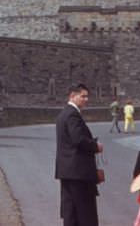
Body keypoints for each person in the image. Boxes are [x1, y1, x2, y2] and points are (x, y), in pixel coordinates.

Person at [55, 83, 103, 226]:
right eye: (83, 96)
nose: (86, 99)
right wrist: (95, 146)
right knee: (85, 213)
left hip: (67, 171)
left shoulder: (63, 114)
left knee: (71, 212)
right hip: (79, 173)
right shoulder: (72, 114)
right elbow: (78, 139)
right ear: (72, 96)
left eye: (87, 96)